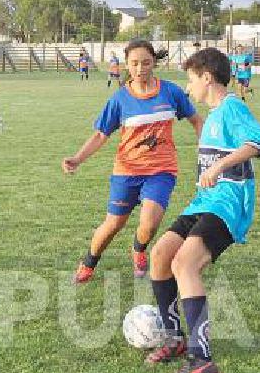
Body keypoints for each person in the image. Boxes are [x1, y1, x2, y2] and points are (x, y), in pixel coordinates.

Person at [141, 47, 260, 373]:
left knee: (184, 264)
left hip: (227, 204)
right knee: (160, 255)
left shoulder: (231, 108)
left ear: (207, 77)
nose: (188, 88)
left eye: (191, 79)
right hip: (203, 203)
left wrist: (219, 165)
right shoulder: (213, 115)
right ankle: (174, 339)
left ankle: (202, 360)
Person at [63, 40, 202, 283]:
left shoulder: (171, 92)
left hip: (162, 169)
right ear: (126, 64)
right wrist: (77, 158)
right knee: (114, 223)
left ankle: (138, 249)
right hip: (126, 171)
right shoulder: (119, 100)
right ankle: (88, 262)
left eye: (146, 63)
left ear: (154, 63)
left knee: (149, 224)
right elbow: (100, 135)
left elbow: (196, 120)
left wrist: (207, 151)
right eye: (135, 63)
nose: (140, 69)